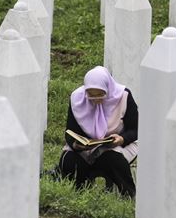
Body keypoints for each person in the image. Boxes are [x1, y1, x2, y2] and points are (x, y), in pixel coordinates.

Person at [57, 66, 139, 198]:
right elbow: (70, 131)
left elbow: (136, 129)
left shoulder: (123, 96)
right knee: (69, 160)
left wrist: (122, 139)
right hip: (86, 148)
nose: (96, 99)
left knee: (113, 159)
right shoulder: (77, 98)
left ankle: (128, 195)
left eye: (100, 94)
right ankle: (78, 192)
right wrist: (76, 144)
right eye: (91, 95)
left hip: (116, 145)